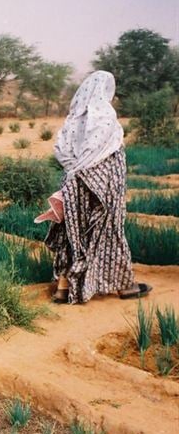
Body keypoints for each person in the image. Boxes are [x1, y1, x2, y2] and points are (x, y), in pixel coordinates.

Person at [44, 70, 152, 305]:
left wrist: (76, 171)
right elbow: (104, 153)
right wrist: (90, 173)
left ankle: (63, 288)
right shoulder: (104, 116)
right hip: (102, 186)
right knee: (108, 231)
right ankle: (125, 286)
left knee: (72, 232)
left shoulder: (72, 119)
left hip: (73, 183)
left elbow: (60, 151)